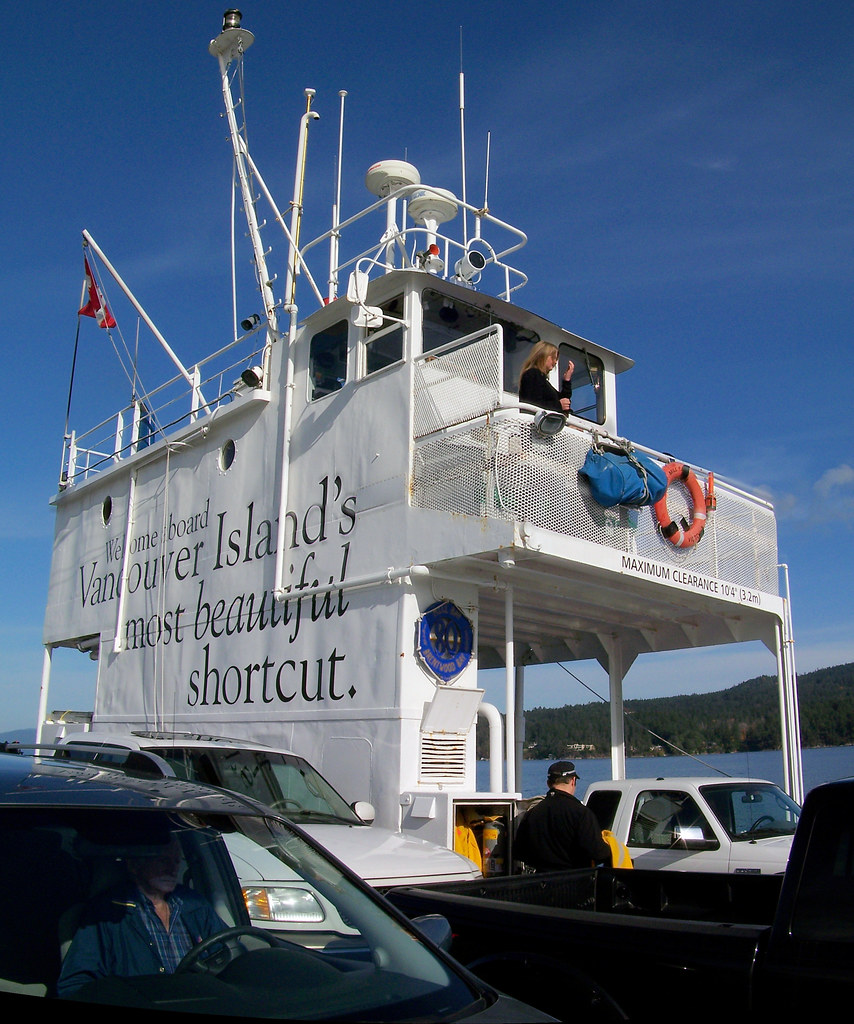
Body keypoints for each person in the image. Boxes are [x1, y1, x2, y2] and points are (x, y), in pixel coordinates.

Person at [57, 834, 227, 996]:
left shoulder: (195, 904)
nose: (172, 868)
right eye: (163, 860)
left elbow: (229, 957)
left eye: (176, 861)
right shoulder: (107, 914)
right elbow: (75, 985)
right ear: (135, 865)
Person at [514, 761, 610, 871]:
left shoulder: (532, 813)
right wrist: (611, 848)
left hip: (541, 883)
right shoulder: (581, 813)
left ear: (548, 783)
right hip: (574, 882)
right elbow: (598, 853)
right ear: (573, 781)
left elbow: (520, 852)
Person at [518, 342, 574, 414]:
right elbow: (532, 403)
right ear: (542, 355)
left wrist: (567, 380)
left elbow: (563, 399)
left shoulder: (541, 378)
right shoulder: (533, 374)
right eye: (553, 358)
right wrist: (558, 405)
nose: (555, 362)